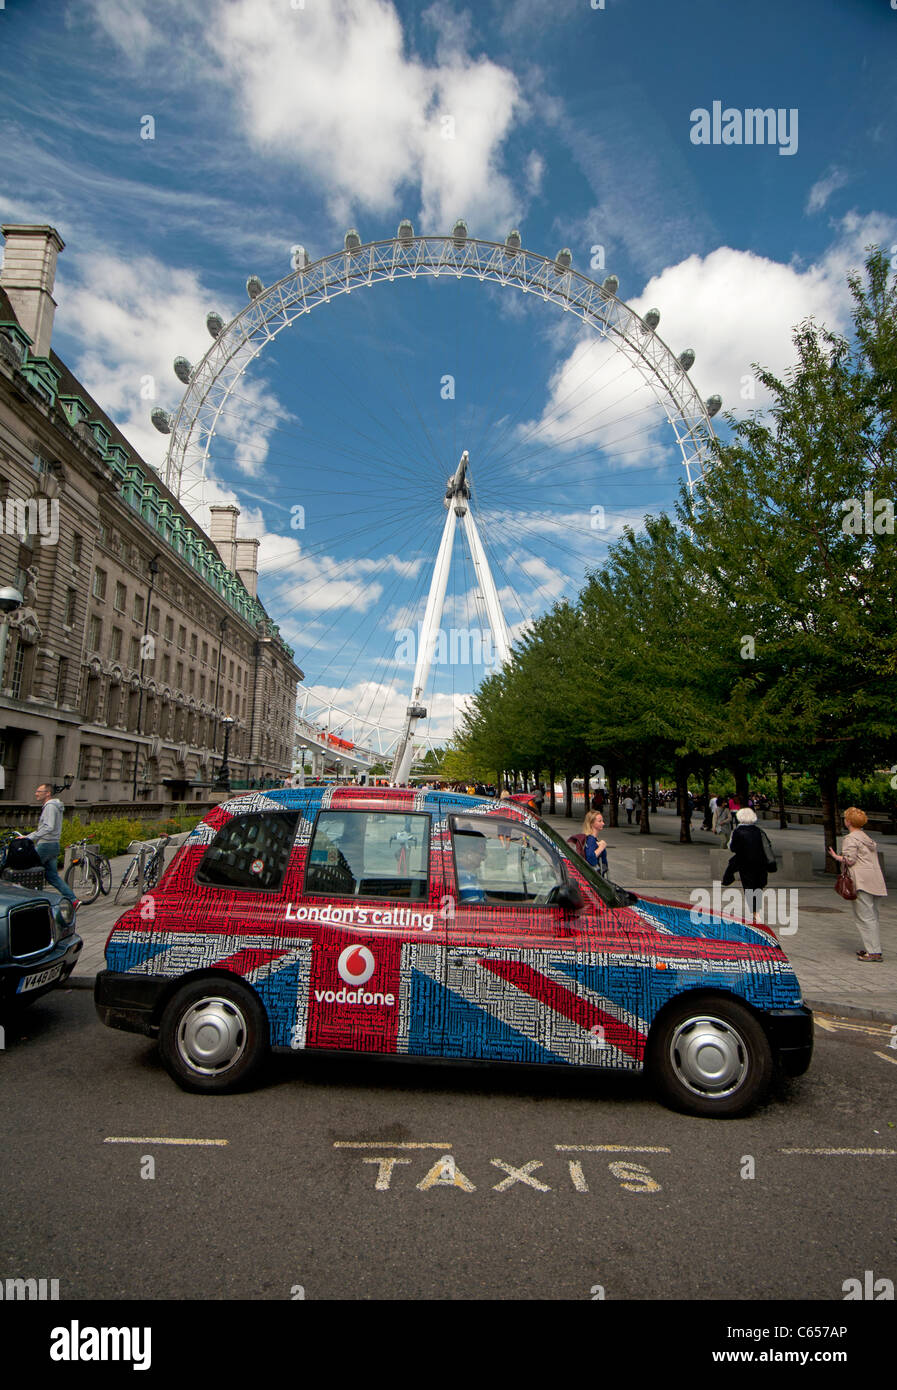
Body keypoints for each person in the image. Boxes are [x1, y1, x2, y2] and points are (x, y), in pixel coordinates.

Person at [828, 807, 887, 961]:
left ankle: (873, 952)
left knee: (864, 917)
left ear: (848, 822)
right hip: (875, 880)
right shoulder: (866, 838)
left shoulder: (850, 838)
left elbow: (850, 860)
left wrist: (836, 857)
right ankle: (873, 948)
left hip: (861, 880)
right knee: (873, 916)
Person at [18, 782, 77, 905]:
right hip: (53, 844)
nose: (36, 794)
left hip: (46, 845)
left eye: (39, 791)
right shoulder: (55, 806)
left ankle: (28, 901)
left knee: (26, 871)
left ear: (48, 793)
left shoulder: (50, 807)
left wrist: (29, 838)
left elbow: (48, 827)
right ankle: (73, 900)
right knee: (52, 876)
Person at [721, 807, 769, 924]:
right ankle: (756, 912)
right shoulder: (759, 831)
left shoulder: (737, 831)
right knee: (758, 887)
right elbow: (767, 846)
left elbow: (733, 848)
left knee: (748, 887)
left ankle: (755, 913)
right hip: (760, 863)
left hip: (745, 863)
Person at [454, 829, 488, 904]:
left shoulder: (468, 875)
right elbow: (477, 908)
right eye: (481, 854)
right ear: (469, 854)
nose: (483, 858)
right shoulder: (463, 877)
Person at [582, 809, 609, 875]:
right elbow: (590, 858)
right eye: (600, 821)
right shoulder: (590, 840)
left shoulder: (591, 839)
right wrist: (601, 847)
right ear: (591, 823)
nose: (603, 823)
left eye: (602, 821)